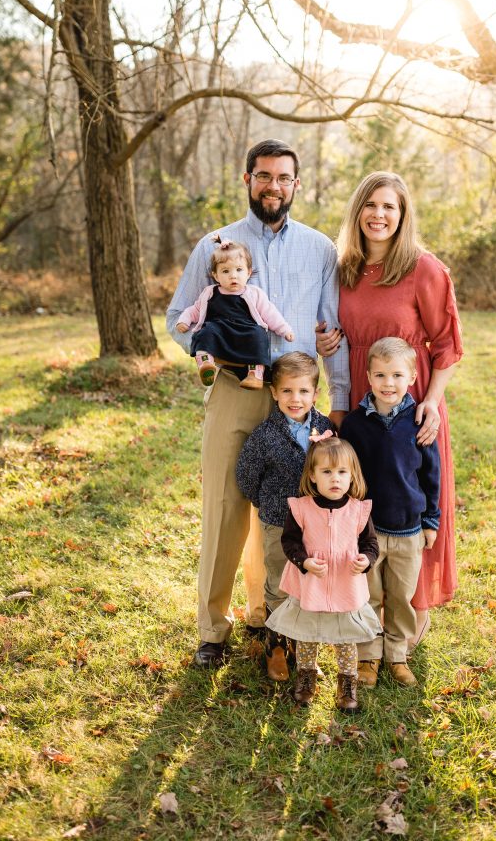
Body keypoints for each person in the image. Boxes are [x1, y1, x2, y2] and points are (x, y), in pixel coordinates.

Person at [166, 139, 350, 668]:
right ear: (247, 179)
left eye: (283, 177)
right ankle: (212, 629)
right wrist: (212, 348)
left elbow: (331, 328)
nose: (274, 186)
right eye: (264, 176)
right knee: (225, 508)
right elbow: (179, 317)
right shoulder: (216, 246)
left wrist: (336, 398)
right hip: (235, 388)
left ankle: (275, 621)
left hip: (297, 398)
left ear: (296, 184)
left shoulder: (319, 249)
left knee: (286, 511)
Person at [318, 170, 462, 648]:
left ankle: (413, 606)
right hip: (360, 399)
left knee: (409, 493)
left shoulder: (424, 269)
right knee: (365, 495)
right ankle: (367, 605)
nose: (379, 215)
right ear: (358, 210)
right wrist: (326, 343)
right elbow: (333, 330)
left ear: (402, 216)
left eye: (389, 207)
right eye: (371, 204)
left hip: (411, 403)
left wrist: (431, 403)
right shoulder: (344, 269)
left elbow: (447, 346)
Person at [340, 337, 440, 687]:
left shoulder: (419, 422)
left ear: (412, 377)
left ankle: (397, 655)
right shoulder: (354, 425)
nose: (388, 383)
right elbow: (347, 477)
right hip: (367, 531)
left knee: (400, 597)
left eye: (397, 375)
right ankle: (368, 656)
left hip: (409, 531)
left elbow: (431, 475)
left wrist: (430, 521)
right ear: (368, 376)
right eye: (380, 375)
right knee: (366, 595)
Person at [236, 351, 335, 681]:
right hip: (278, 522)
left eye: (303, 391)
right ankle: (276, 647)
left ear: (315, 394)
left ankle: (304, 651)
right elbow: (247, 475)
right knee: (279, 584)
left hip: (316, 525)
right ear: (274, 392)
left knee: (309, 587)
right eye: (288, 391)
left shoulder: (326, 428)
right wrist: (266, 503)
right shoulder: (265, 435)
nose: (296, 399)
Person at [266, 436, 381, 711]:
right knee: (307, 634)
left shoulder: (358, 510)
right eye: (326, 472)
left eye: (342, 472)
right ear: (313, 476)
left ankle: (347, 683)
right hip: (311, 584)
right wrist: (304, 561)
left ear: (352, 476)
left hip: (345, 584)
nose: (335, 479)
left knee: (345, 638)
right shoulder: (301, 508)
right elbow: (290, 542)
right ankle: (306, 678)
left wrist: (366, 560)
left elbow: (370, 544)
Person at [176, 239, 294, 390]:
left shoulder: (254, 293)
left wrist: (284, 329)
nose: (233, 276)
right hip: (219, 329)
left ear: (248, 272)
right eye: (225, 271)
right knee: (205, 332)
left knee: (259, 335)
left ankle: (255, 374)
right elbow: (195, 310)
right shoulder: (210, 292)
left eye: (239, 270)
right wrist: (184, 321)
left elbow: (270, 313)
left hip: (246, 330)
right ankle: (205, 363)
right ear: (216, 276)